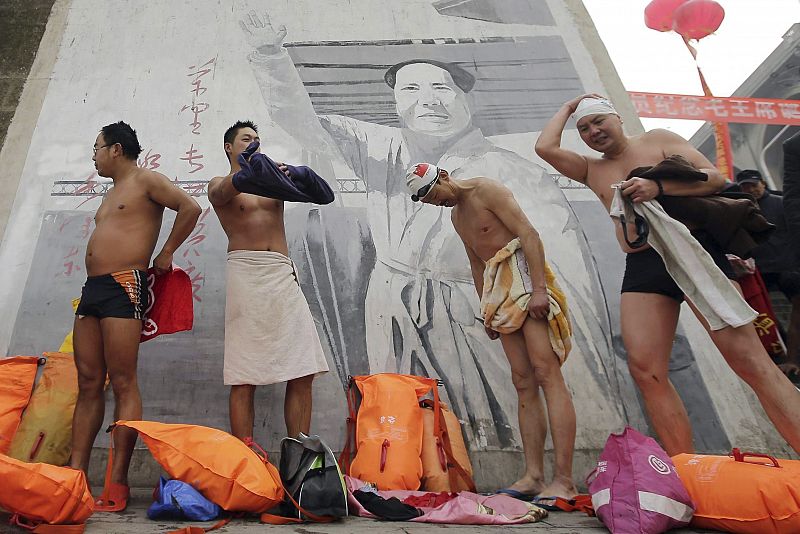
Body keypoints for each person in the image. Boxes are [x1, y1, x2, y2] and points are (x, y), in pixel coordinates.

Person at [237, 9, 620, 451]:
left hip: (475, 313)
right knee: (400, 416)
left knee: (499, 410)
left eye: (442, 88)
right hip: (394, 306)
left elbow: (560, 258)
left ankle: (513, 466)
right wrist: (270, 56)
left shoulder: (510, 171)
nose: (429, 101)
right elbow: (302, 121)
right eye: (411, 90)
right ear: (396, 102)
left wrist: (515, 301)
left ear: (465, 100)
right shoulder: (378, 148)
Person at [535, 95, 800, 455]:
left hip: (694, 249)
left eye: (599, 121)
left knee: (751, 363)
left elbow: (715, 178)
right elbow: (544, 147)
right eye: (584, 128)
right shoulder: (590, 169)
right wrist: (568, 107)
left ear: (617, 118)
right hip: (645, 264)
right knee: (645, 369)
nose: (593, 131)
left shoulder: (658, 139)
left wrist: (658, 188)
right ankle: (684, 469)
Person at [405, 162, 577, 500]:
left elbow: (528, 234)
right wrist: (487, 308)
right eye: (424, 200)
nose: (432, 201)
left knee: (546, 371)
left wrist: (540, 289)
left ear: (443, 177)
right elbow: (476, 262)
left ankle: (565, 480)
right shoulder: (456, 217)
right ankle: (533, 476)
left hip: (525, 279)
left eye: (430, 192)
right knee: (522, 380)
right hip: (499, 290)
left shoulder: (488, 189)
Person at [70, 121, 202, 511]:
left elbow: (190, 207)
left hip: (126, 284)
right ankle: (75, 474)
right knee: (89, 380)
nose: (93, 155)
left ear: (115, 149)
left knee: (124, 380)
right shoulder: (110, 195)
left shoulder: (147, 180)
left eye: (96, 148)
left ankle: (117, 480)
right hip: (93, 290)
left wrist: (166, 252)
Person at [207, 120, 330, 441]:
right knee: (243, 374)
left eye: (256, 139)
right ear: (228, 147)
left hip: (281, 272)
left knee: (304, 369)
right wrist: (250, 171)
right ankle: (248, 459)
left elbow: (322, 195)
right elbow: (222, 193)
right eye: (245, 139)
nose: (252, 143)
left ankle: (301, 454)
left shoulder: (272, 179)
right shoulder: (219, 183)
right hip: (246, 273)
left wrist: (298, 172)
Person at [735, 169, 800, 378]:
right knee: (770, 318)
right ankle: (785, 359)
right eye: (745, 186)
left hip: (791, 268)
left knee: (796, 315)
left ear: (763, 183)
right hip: (763, 273)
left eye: (753, 185)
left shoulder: (782, 203)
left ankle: (793, 359)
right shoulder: (741, 210)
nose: (750, 190)